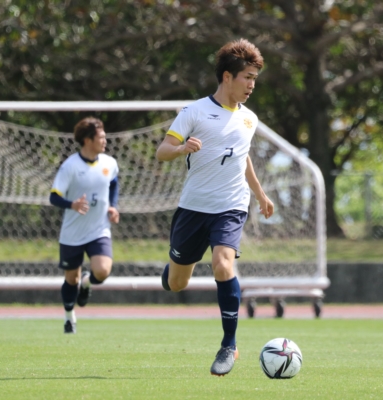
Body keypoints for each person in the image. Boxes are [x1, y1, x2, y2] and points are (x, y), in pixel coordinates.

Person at [155, 38, 274, 376]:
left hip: (231, 206)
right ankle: (172, 270)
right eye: (247, 77)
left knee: (223, 265)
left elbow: (242, 156)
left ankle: (228, 345)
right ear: (227, 77)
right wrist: (181, 149)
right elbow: (162, 151)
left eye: (255, 78)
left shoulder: (249, 119)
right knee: (177, 283)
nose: (252, 85)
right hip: (194, 208)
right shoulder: (193, 112)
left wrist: (260, 194)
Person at [49, 117, 119, 334]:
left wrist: (113, 206)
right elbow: (54, 197)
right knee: (71, 279)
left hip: (99, 230)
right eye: (101, 137)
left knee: (103, 271)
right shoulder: (70, 166)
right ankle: (69, 317)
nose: (105, 141)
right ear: (88, 140)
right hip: (72, 233)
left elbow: (114, 182)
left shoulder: (109, 163)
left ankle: (87, 284)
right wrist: (72, 204)